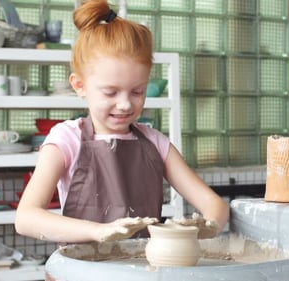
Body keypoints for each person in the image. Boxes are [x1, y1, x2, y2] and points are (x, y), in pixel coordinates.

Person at [15, 0, 229, 244]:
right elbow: (26, 218)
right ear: (79, 85)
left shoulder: (155, 143)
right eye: (110, 92)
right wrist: (98, 231)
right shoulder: (66, 140)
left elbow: (215, 206)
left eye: (137, 91)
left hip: (143, 270)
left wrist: (201, 229)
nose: (126, 104)